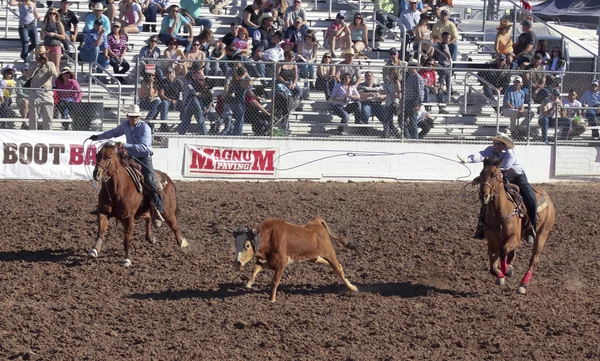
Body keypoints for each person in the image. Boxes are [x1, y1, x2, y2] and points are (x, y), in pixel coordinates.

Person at [89, 104, 164, 226]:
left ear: (139, 117)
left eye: (136, 117)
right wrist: (98, 137)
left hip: (144, 158)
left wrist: (125, 145)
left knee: (149, 180)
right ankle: (103, 205)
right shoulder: (125, 125)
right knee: (113, 174)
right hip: (130, 157)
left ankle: (158, 210)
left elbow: (144, 148)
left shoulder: (145, 128)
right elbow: (113, 132)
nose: (133, 119)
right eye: (131, 116)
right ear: (127, 116)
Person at [462, 132, 537, 245]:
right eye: (494, 142)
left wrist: (482, 177)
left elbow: (503, 169)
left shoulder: (509, 154)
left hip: (517, 178)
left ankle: (531, 229)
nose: (494, 145)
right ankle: (481, 227)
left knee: (531, 199)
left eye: (497, 143)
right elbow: (480, 155)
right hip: (499, 178)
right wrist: (467, 159)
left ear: (504, 145)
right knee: (486, 201)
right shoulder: (490, 150)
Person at [27, 46, 58, 130]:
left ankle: (48, 135)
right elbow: (28, 75)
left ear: (45, 54)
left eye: (42, 54)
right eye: (38, 54)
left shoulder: (50, 64)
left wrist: (46, 63)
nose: (40, 56)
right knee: (33, 117)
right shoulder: (33, 63)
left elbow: (55, 75)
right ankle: (33, 134)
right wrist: (36, 64)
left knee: (48, 117)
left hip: (46, 92)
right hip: (35, 92)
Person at [179, 69, 211, 135]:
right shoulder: (193, 82)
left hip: (198, 104)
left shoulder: (207, 91)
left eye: (202, 80)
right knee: (187, 118)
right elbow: (192, 91)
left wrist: (198, 94)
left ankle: (204, 134)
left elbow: (210, 101)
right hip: (192, 103)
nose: (200, 81)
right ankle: (181, 133)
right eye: (199, 80)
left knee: (198, 119)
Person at [403, 58, 424, 139]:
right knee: (402, 120)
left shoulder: (418, 78)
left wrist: (418, 103)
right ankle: (408, 136)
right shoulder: (408, 76)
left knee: (413, 121)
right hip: (407, 100)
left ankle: (415, 138)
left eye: (413, 66)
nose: (411, 67)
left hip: (413, 101)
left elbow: (420, 92)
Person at [41, 7, 65, 72]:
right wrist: (45, 34)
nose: (52, 15)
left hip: (56, 45)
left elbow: (63, 37)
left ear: (56, 15)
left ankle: (57, 81)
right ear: (48, 15)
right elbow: (41, 38)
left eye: (54, 14)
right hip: (47, 45)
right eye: (50, 13)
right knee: (48, 66)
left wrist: (54, 34)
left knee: (55, 67)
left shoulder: (59, 23)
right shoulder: (45, 24)